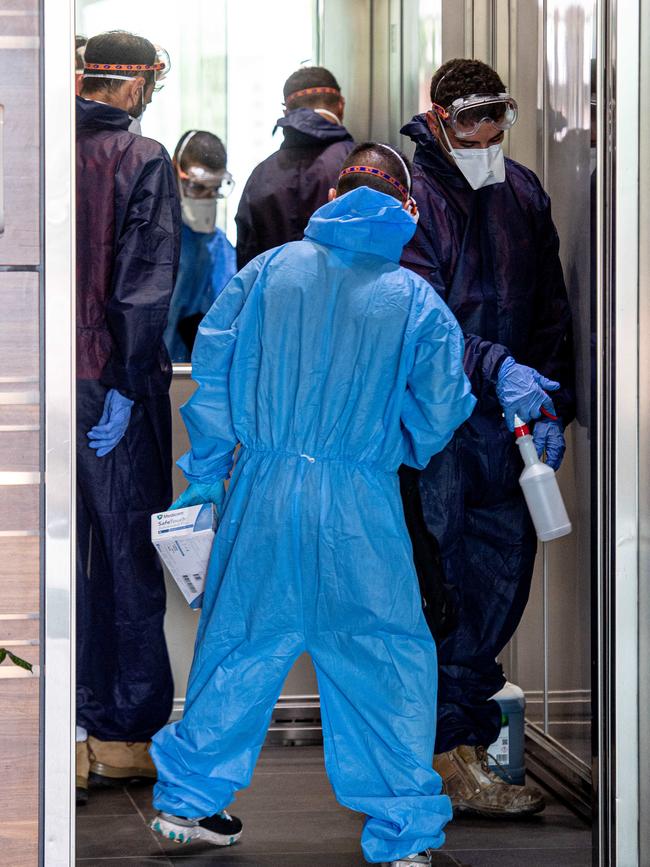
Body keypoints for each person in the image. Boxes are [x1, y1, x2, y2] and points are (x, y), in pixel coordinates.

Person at [148, 143, 476, 867]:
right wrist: (393, 445)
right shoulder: (413, 298)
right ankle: (401, 836)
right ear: (407, 209)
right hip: (360, 502)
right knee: (384, 657)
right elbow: (444, 405)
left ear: (333, 195)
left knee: (237, 646)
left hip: (262, 492)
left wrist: (207, 472)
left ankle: (185, 804)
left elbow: (216, 371)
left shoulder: (267, 273)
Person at [401, 58, 575, 817]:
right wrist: (497, 368)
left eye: (497, 117)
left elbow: (550, 303)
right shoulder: (413, 197)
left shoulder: (522, 191)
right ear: (438, 119)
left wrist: (550, 402)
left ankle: (464, 744)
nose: (487, 134)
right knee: (440, 588)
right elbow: (418, 315)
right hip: (439, 426)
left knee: (501, 582)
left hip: (509, 429)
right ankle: (442, 755)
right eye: (472, 120)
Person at [75, 30, 181, 805]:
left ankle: (60, 733)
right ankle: (118, 739)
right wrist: (121, 383)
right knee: (124, 563)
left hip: (48, 386)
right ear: (137, 82)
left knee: (52, 566)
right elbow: (144, 283)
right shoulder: (142, 159)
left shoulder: (36, 146)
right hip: (115, 389)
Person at [235, 66, 355, 269]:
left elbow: (248, 261)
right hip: (347, 299)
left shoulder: (261, 174)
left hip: (274, 299)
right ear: (341, 105)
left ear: (286, 112)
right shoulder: (360, 166)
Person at [163, 130, 237, 362]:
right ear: (175, 171)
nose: (206, 197)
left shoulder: (219, 247)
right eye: (197, 187)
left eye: (214, 189)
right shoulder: (156, 239)